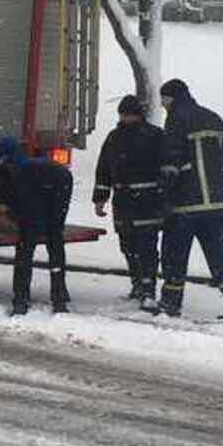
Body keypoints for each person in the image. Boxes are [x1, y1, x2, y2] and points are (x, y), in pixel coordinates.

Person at [152, 78, 223, 323]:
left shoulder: (176, 118)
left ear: (170, 98)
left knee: (175, 251)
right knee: (216, 249)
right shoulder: (213, 117)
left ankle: (170, 302)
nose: (163, 106)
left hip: (187, 201)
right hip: (216, 200)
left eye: (164, 101)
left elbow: (172, 157)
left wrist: (165, 192)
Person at [0, 136, 74, 315]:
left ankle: (21, 300)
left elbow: (13, 204)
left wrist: (11, 218)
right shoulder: (25, 163)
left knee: (26, 245)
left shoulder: (9, 173)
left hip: (38, 185)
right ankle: (59, 299)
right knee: (55, 240)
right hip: (62, 179)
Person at [93, 94, 167, 308]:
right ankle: (137, 283)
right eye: (124, 114)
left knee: (147, 246)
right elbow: (104, 170)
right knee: (127, 245)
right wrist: (100, 198)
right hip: (124, 202)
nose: (127, 118)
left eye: (130, 114)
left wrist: (163, 196)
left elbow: (165, 167)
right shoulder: (114, 138)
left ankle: (148, 288)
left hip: (147, 202)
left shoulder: (154, 136)